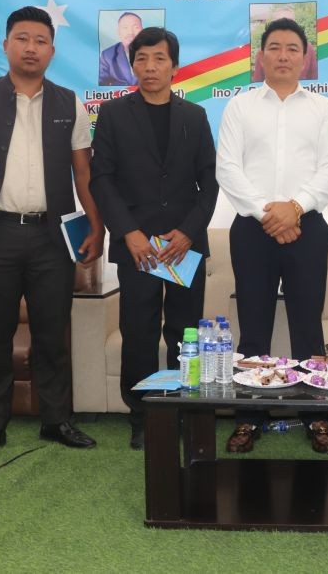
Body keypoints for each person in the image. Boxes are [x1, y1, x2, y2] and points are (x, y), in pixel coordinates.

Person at [0, 5, 104, 461]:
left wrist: (97, 225)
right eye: (23, 38)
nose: (31, 47)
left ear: (52, 50)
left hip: (52, 238)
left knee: (53, 334)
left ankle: (57, 420)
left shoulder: (68, 102)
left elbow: (83, 174)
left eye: (40, 41)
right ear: (6, 44)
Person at [217, 17, 328, 454]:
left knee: (308, 327)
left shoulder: (323, 108)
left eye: (292, 48)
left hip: (308, 227)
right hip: (251, 230)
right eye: (275, 47)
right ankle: (249, 418)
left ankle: (317, 417)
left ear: (305, 56)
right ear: (261, 56)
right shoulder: (240, 106)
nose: (284, 55)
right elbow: (228, 168)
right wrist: (267, 212)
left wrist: (295, 208)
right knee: (253, 327)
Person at [90, 27, 219, 450]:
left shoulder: (195, 116)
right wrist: (129, 233)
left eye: (159, 59)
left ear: (174, 66)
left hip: (183, 246)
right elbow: (102, 180)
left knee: (184, 334)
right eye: (142, 58)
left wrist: (188, 232)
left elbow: (209, 182)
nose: (150, 67)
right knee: (139, 331)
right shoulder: (112, 115)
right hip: (138, 249)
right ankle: (143, 415)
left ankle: (181, 408)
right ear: (132, 65)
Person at [251, 5, 318, 81]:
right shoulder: (263, 51)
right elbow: (258, 82)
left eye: (289, 23)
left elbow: (313, 79)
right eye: (279, 24)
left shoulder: (308, 48)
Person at [98, 12, 142, 86]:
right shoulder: (107, 55)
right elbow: (99, 85)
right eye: (125, 28)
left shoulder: (153, 52)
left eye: (136, 27)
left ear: (142, 31)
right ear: (118, 32)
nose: (130, 32)